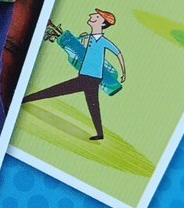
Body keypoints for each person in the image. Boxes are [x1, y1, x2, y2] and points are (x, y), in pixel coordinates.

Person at [23, 9, 126, 141]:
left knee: (56, 91)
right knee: (92, 105)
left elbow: (118, 53)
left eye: (96, 16)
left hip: (91, 78)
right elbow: (78, 50)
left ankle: (26, 99)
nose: (92, 16)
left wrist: (123, 73)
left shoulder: (102, 41)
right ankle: (100, 134)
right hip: (88, 77)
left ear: (102, 23)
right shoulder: (89, 38)